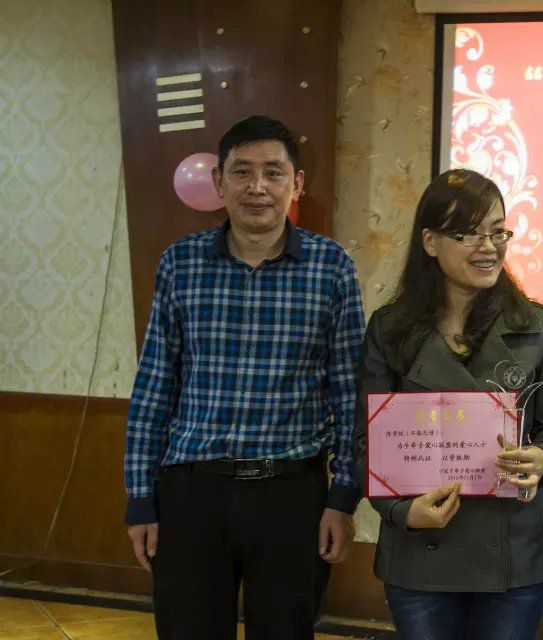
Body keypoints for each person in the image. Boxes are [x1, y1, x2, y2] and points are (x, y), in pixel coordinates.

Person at [124, 115, 365, 639]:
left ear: (297, 184)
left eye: (274, 172)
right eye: (242, 171)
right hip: (191, 493)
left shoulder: (332, 268)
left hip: (291, 496)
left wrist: (343, 498)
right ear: (218, 181)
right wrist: (140, 498)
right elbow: (154, 388)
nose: (258, 186)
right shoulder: (180, 264)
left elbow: (349, 394)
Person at [353, 168, 543, 640]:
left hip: (514, 554)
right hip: (421, 550)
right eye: (468, 234)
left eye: (497, 232)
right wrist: (401, 512)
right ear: (430, 242)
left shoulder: (535, 324)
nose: (488, 247)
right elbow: (365, 444)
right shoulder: (389, 329)